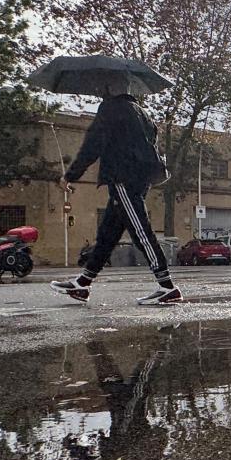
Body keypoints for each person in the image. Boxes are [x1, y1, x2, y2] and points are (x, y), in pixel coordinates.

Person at [49, 79, 182, 305]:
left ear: (109, 88)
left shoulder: (111, 109)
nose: (99, 90)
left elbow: (93, 144)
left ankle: (167, 287)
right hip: (139, 178)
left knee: (141, 231)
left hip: (123, 178)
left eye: (102, 87)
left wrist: (71, 175)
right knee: (107, 235)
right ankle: (83, 283)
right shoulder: (142, 113)